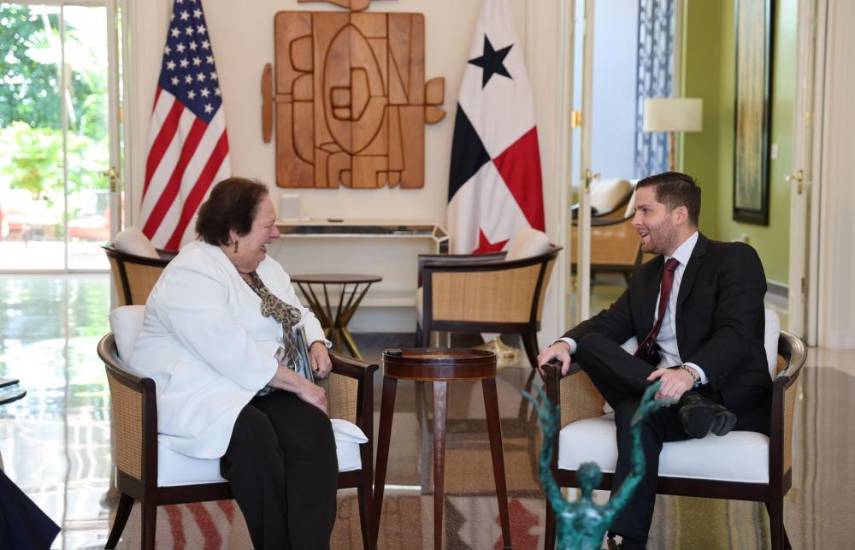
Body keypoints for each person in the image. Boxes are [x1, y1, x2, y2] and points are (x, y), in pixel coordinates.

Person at [538, 171, 772, 550]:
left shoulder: (733, 259)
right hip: (673, 399)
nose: (635, 221)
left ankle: (625, 540)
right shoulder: (647, 275)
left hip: (724, 395)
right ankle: (686, 406)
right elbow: (609, 323)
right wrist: (565, 343)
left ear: (679, 214)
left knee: (634, 412)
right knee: (593, 344)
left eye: (645, 210)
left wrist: (688, 374)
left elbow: (737, 334)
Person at [131, 177, 338, 549]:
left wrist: (316, 340)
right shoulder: (192, 271)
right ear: (233, 233)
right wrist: (302, 385)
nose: (276, 233)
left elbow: (298, 310)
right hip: (198, 391)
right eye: (267, 226)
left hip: (252, 385)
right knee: (253, 435)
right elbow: (228, 348)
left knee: (311, 428)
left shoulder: (265, 267)